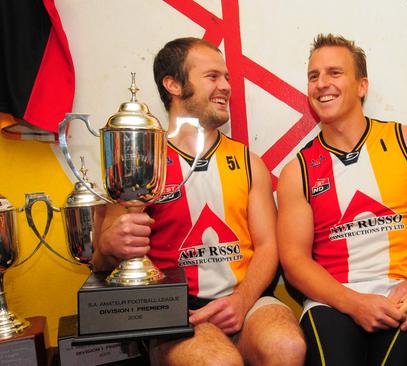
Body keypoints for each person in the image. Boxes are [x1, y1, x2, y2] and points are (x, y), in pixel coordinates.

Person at [93, 37, 305, 366]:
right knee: (219, 362)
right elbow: (101, 262)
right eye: (212, 77)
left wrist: (241, 299)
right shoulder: (141, 163)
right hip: (177, 311)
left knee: (287, 347)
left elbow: (268, 247)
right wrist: (109, 244)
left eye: (227, 78)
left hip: (246, 301)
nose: (225, 87)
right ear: (173, 84)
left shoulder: (248, 161)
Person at [277, 33, 407, 366]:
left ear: (362, 85)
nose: (322, 84)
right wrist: (354, 302)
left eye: (335, 73)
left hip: (403, 292)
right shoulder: (298, 170)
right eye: (313, 76)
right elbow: (294, 262)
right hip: (333, 300)